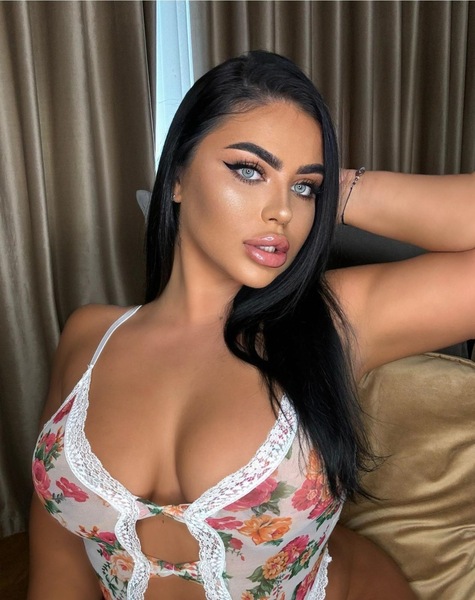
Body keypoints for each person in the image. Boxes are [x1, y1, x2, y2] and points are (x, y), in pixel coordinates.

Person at [28, 50, 475, 600]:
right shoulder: (88, 337)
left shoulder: (337, 320)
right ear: (177, 178)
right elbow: (58, 567)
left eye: (303, 187)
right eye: (249, 170)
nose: (282, 211)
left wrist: (338, 188)